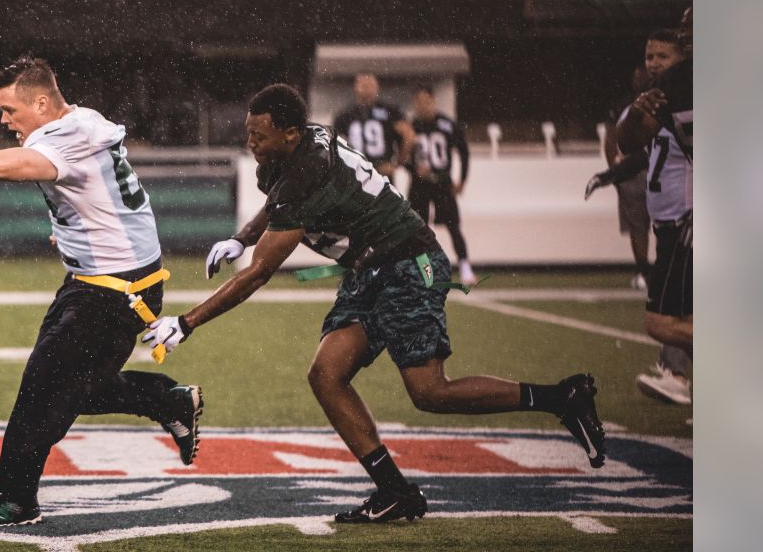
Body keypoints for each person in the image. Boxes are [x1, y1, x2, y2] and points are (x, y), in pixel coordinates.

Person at [148, 84, 606, 525]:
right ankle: (395, 491)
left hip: (408, 259)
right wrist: (240, 237)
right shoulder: (297, 149)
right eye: (248, 133)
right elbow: (279, 202)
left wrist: (188, 323)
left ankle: (561, 397)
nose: (249, 142)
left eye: (258, 135)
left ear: (290, 134)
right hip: (371, 267)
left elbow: (260, 273)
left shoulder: (307, 168)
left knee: (430, 392)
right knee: (327, 374)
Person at [0, 56, 203, 526]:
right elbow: (100, 194)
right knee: (73, 389)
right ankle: (167, 400)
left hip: (113, 291)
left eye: (10, 110)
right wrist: (75, 231)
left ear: (42, 102)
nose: (4, 121)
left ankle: (18, 499)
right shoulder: (82, 121)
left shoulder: (67, 135)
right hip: (101, 282)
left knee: (41, 391)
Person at [618, 15, 694, 406]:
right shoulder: (671, 90)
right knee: (676, 317)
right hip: (672, 221)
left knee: (664, 321)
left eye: (663, 54)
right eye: (649, 55)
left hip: (688, 220)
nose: (653, 62)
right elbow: (630, 144)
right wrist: (636, 110)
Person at [585, 63, 656, 289]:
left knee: (667, 226)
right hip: (632, 174)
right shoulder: (623, 105)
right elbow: (612, 137)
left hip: (660, 172)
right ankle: (644, 271)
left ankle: (663, 273)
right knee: (638, 226)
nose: (639, 77)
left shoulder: (666, 100)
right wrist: (613, 171)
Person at [406, 86, 476, 287]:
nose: (422, 106)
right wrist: (414, 169)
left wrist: (462, 179)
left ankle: (465, 267)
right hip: (419, 185)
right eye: (418, 102)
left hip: (442, 184)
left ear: (433, 101)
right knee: (418, 228)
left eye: (426, 101)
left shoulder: (447, 124)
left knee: (454, 225)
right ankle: (422, 270)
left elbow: (463, 151)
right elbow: (402, 157)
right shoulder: (411, 126)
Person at [332, 73, 416, 182]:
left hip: (382, 171)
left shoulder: (389, 111)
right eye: (364, 86)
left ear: (377, 87)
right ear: (356, 87)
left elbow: (409, 136)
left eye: (370, 86)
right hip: (356, 173)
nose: (367, 90)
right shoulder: (345, 115)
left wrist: (397, 163)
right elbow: (337, 144)